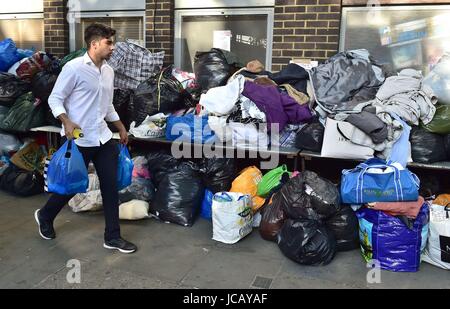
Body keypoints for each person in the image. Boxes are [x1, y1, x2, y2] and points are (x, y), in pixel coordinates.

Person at [34, 23, 137, 254]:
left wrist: (120, 127)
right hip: (78, 139)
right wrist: (66, 121)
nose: (113, 47)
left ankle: (112, 237)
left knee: (111, 186)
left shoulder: (108, 71)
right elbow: (55, 99)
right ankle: (45, 215)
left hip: (102, 137)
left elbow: (107, 104)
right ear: (94, 44)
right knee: (71, 186)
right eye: (109, 42)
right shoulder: (74, 68)